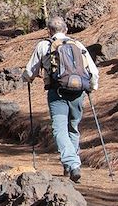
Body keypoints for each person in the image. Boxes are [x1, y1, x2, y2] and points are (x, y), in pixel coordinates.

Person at [22, 16, 99, 183]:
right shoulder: (78, 45)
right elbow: (93, 71)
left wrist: (26, 78)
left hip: (57, 93)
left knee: (59, 129)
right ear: (66, 30)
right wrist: (91, 87)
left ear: (49, 31)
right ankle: (71, 165)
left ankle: (72, 163)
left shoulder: (44, 45)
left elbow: (30, 72)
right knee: (73, 128)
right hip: (78, 93)